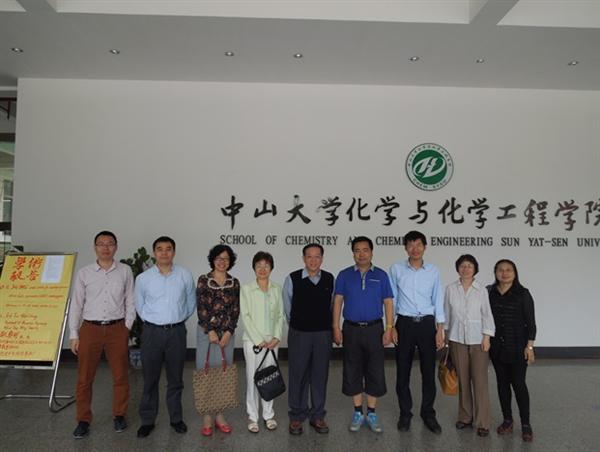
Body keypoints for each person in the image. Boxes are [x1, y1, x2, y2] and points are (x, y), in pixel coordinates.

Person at [69, 231, 135, 439]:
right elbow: (77, 304)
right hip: (90, 329)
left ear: (116, 247)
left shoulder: (125, 271)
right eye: (101, 244)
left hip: (117, 329)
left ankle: (119, 415)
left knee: (120, 375)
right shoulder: (84, 273)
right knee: (84, 378)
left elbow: (130, 299)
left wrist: (126, 327)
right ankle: (83, 420)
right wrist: (74, 334)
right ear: (95, 247)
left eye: (110, 244)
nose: (106, 247)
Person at [134, 236, 196, 438]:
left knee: (176, 379)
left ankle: (176, 419)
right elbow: (139, 306)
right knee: (150, 379)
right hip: (152, 333)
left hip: (176, 332)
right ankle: (147, 420)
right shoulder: (143, 279)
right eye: (159, 249)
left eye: (168, 249)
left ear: (174, 252)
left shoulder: (185, 275)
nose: (164, 253)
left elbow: (190, 303)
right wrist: (154, 322)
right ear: (154, 253)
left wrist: (176, 319)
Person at [332, 236, 394, 433]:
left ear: (372, 252)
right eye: (357, 250)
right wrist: (336, 327)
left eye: (365, 250)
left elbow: (388, 302)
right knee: (353, 369)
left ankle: (372, 413)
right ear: (353, 254)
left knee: (375, 369)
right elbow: (338, 301)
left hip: (375, 329)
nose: (361, 254)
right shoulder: (344, 275)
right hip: (351, 329)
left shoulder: (381, 275)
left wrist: (389, 328)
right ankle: (358, 412)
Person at [388, 230, 445, 434]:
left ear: (425, 247)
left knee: (428, 372)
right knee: (402, 371)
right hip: (404, 323)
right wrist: (391, 326)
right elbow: (391, 299)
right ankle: (405, 414)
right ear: (405, 248)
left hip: (427, 324)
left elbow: (437, 298)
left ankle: (428, 413)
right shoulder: (396, 269)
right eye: (411, 245)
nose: (415, 249)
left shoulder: (433, 271)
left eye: (419, 244)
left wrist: (440, 329)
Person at [283, 244, 334, 435]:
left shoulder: (329, 278)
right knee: (298, 375)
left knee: (320, 375)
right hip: (300, 333)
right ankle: (297, 416)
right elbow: (287, 308)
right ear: (303, 259)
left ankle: (317, 415)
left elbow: (332, 306)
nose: (313, 260)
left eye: (317, 256)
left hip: (322, 334)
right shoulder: (292, 278)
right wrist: (299, 324)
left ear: (322, 258)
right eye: (309, 257)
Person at [444, 254, 495, 437]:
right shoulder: (450, 289)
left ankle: (482, 422)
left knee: (480, 382)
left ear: (475, 269)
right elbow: (446, 313)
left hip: (478, 340)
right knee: (463, 381)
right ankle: (465, 417)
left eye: (469, 266)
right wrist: (445, 335)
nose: (466, 269)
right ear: (458, 268)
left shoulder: (481, 290)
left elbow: (487, 314)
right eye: (462, 266)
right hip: (456, 339)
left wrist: (487, 337)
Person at [488, 259, 537, 442]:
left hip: (518, 347)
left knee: (518, 384)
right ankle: (507, 420)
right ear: (495, 273)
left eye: (509, 270)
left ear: (515, 273)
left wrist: (529, 346)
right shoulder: (490, 293)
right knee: (502, 384)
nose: (504, 273)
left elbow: (531, 323)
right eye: (500, 270)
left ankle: (526, 424)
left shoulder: (523, 294)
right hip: (497, 347)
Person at [196, 244, 240, 436]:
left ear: (230, 261)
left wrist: (229, 332)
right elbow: (201, 307)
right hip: (207, 333)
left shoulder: (234, 282)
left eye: (226, 258)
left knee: (223, 372)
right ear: (212, 260)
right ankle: (207, 416)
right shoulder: (204, 280)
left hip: (227, 335)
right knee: (206, 372)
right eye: (218, 258)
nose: (222, 262)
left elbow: (235, 309)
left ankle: (220, 415)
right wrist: (211, 331)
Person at [240, 251, 284, 433]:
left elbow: (280, 315)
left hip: (272, 343)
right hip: (253, 343)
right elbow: (245, 316)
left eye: (266, 265)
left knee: (269, 378)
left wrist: (276, 337)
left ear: (271, 268)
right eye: (259, 265)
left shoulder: (277, 289)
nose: (262, 269)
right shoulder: (246, 289)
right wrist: (258, 340)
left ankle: (268, 415)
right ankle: (253, 416)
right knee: (253, 378)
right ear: (254, 268)